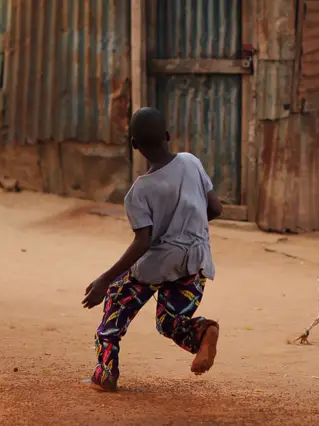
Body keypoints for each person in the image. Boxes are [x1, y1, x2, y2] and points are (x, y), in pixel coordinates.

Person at [81, 107, 222, 392]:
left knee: (116, 307)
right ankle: (201, 331)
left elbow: (143, 242)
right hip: (196, 263)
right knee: (170, 322)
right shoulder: (191, 163)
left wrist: (105, 279)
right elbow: (216, 208)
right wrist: (185, 227)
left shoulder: (139, 191)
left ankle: (106, 371)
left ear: (134, 145)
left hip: (155, 264)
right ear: (168, 136)